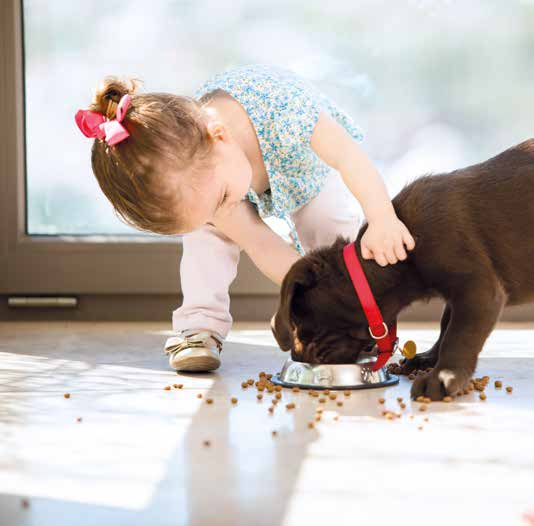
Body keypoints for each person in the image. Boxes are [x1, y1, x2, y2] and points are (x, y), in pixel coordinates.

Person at [75, 63, 415, 373]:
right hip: (226, 175)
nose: (221, 213)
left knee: (329, 221)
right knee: (206, 240)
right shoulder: (205, 178)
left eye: (220, 200)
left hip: (305, 169)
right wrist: (303, 294)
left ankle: (351, 320)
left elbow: (348, 157)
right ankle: (199, 326)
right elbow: (259, 242)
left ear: (220, 136)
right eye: (207, 211)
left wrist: (382, 216)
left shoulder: (287, 112)